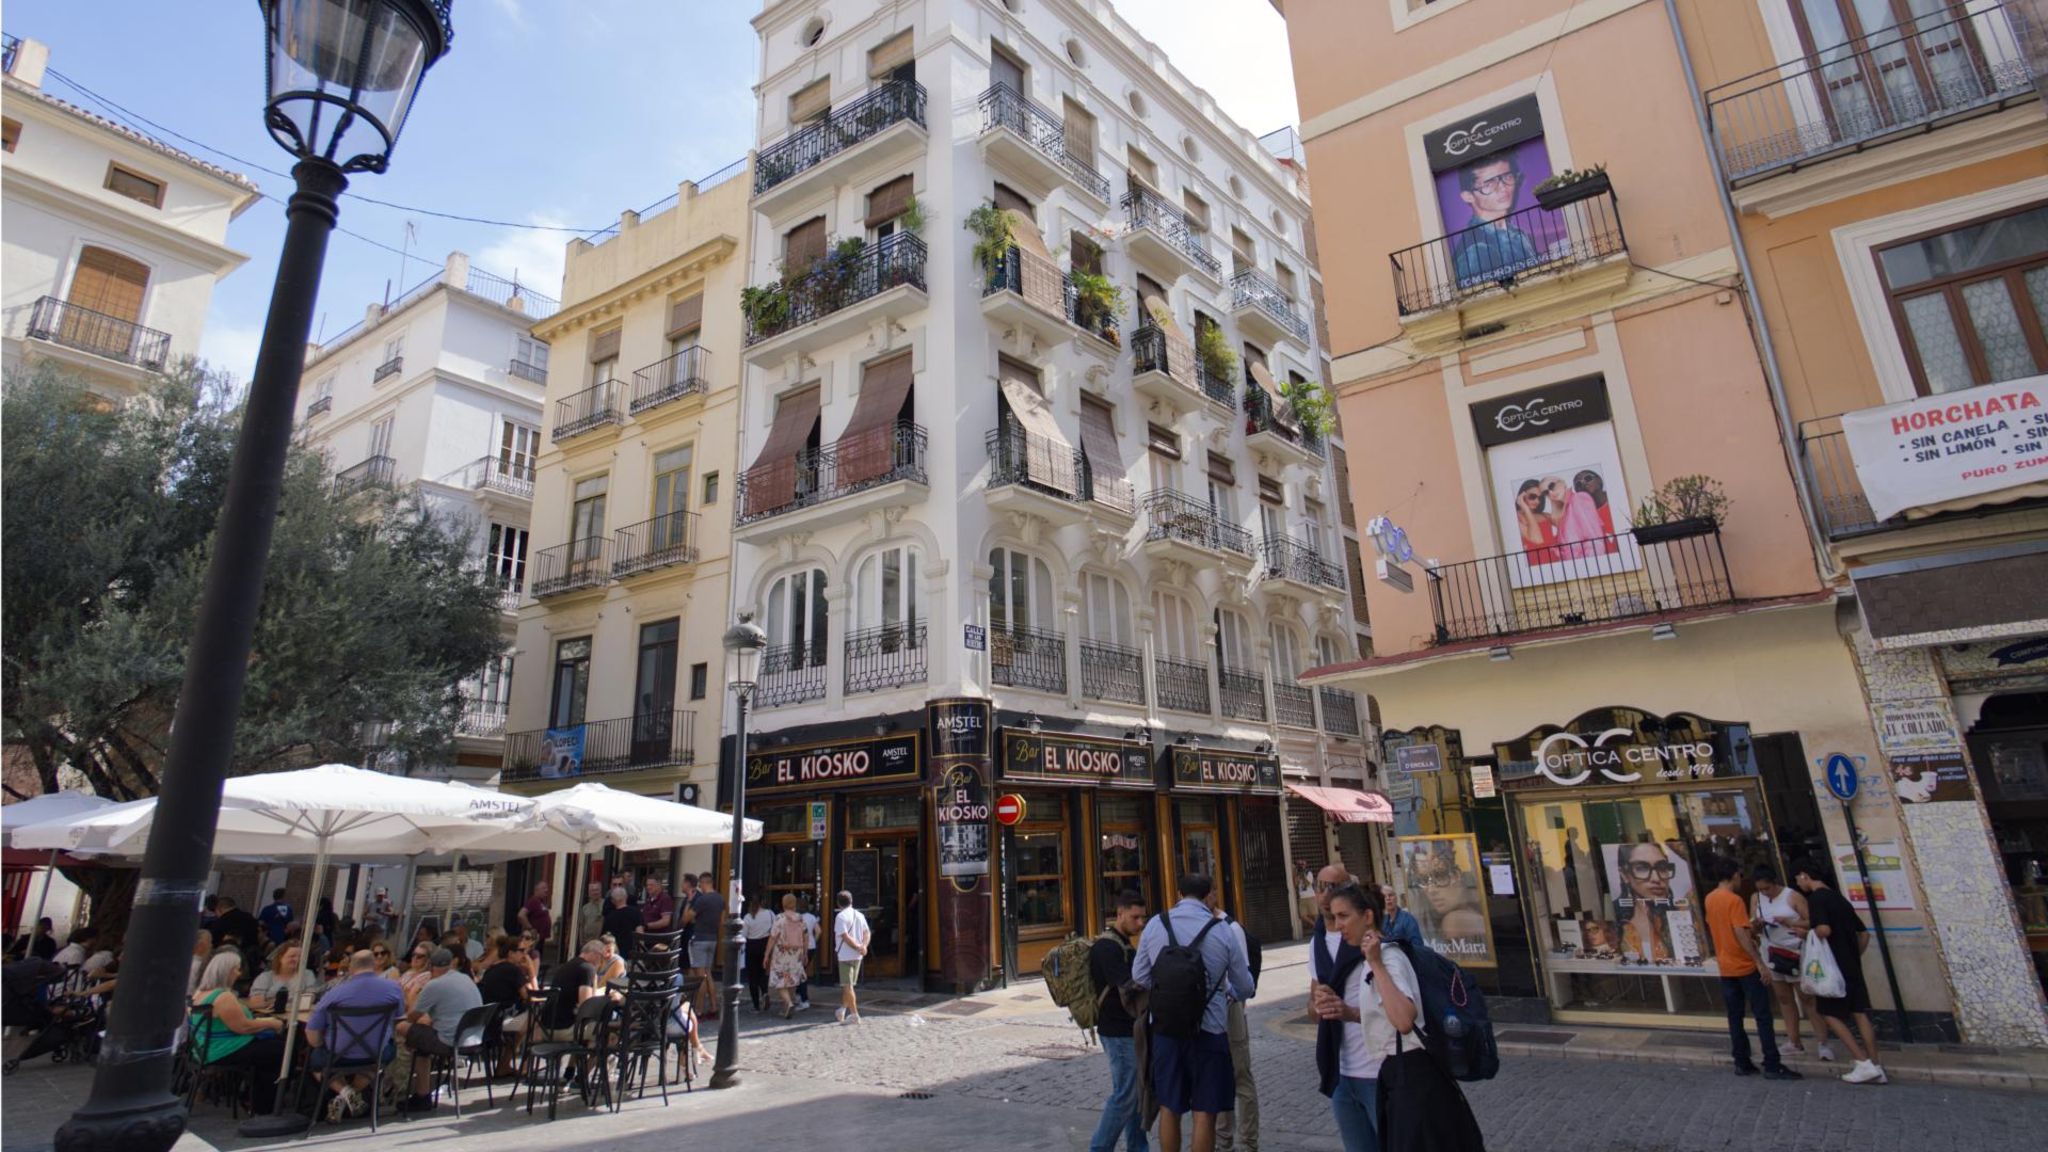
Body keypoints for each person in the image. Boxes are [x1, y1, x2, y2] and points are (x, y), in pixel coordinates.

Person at [1132, 873, 1255, 1152]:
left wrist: (1166, 990)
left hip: (1166, 1029)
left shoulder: (1156, 924)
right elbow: (1245, 986)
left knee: (1169, 1106)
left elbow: (1139, 976)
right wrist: (1225, 992)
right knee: (1205, 1112)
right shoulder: (1223, 930)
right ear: (1209, 894)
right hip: (1209, 1030)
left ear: (1178, 893)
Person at [1312, 884, 1419, 1152]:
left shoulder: (1389, 957)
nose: (1338, 925)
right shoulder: (1343, 955)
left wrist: (1376, 965)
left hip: (1382, 1074)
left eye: (1344, 916)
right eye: (1334, 917)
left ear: (1368, 916)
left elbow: (1404, 1021)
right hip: (1345, 1074)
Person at [1793, 858, 1887, 1085]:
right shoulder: (1839, 898)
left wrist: (1806, 934)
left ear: (1805, 875)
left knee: (1829, 1013)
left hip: (1832, 967)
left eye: (1798, 878)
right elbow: (1864, 933)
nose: (1798, 883)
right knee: (1859, 1013)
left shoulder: (1817, 899)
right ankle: (1875, 1065)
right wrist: (1854, 956)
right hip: (1851, 965)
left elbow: (1824, 929)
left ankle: (1862, 1062)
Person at [1705, 859, 1798, 1080]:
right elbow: (1740, 932)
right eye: (1739, 875)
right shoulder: (1734, 900)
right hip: (1744, 965)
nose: (1741, 879)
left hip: (1726, 966)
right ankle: (1772, 1063)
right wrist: (1759, 962)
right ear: (1734, 875)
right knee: (1762, 1015)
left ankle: (1741, 1061)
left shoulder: (1710, 898)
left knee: (1735, 1016)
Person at [305, 949, 405, 1120]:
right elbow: (399, 1015)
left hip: (338, 1054)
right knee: (386, 1054)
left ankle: (345, 1092)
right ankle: (351, 1094)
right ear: (374, 964)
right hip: (376, 1052)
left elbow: (312, 1035)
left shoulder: (335, 993)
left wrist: (320, 1044)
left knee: (315, 1060)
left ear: (351, 967)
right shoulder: (393, 989)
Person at [188, 951, 287, 1115]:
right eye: (236, 969)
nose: (239, 973)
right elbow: (243, 1027)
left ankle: (253, 1096)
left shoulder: (199, 993)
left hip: (205, 1048)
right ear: (226, 971)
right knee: (281, 1051)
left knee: (272, 1048)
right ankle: (262, 1104)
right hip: (222, 1050)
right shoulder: (223, 997)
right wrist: (271, 1023)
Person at [1089, 890, 1148, 1152]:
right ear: (1120, 913)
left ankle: (1138, 1147)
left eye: (1143, 917)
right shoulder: (1107, 947)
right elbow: (1127, 985)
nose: (1140, 923)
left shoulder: (1123, 944)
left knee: (1134, 1093)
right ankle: (1100, 1148)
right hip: (1116, 1030)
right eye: (1135, 917)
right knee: (1125, 1095)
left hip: (1128, 1028)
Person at [1751, 865, 1830, 1060]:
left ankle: (1823, 1042)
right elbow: (1752, 925)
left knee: (1807, 998)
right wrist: (1757, 924)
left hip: (1795, 951)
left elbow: (1812, 921)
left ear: (1774, 883)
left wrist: (1790, 922)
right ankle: (1794, 1041)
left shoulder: (1792, 896)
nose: (1764, 893)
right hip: (1771, 951)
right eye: (1761, 889)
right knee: (1784, 998)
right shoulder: (1755, 898)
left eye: (1767, 888)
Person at [1208, 886, 1261, 1152]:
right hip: (1211, 1013)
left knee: (1240, 1075)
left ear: (1214, 895)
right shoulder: (1199, 925)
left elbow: (1243, 978)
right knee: (1219, 1076)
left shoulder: (1231, 927)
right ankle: (1223, 1140)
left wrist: (1232, 997)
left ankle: (1248, 1141)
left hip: (1231, 1009)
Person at [397, 947, 482, 1111]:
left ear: (431, 966)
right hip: (474, 1038)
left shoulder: (434, 985)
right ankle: (421, 1094)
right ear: (451, 964)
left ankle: (413, 1089)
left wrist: (412, 992)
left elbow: (412, 1016)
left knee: (402, 1028)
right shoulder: (465, 978)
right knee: (420, 1041)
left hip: (451, 1042)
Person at [1450, 153, 1540, 285]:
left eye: (1507, 177)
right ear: (1468, 196)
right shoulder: (1475, 250)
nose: (1503, 188)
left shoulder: (1519, 236)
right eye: (1489, 184)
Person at [1615, 841, 1680, 963]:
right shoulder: (1618, 919)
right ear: (1624, 875)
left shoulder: (1680, 913)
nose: (1656, 878)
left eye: (1662, 867)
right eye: (1642, 868)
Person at [538, 940, 611, 1041]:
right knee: (608, 1031)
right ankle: (589, 1051)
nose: (602, 963)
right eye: (602, 958)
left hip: (545, 1028)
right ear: (595, 954)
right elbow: (586, 1007)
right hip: (564, 1028)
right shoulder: (587, 969)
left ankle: (582, 1051)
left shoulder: (567, 965)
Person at [766, 893, 810, 1019]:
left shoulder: (779, 918)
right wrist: (805, 953)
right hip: (796, 952)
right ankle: (787, 1006)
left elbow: (772, 937)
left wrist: (766, 954)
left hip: (781, 952)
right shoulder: (800, 918)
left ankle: (788, 1002)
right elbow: (806, 937)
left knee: (779, 980)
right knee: (792, 979)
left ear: (783, 903)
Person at [689, 872, 726, 1018]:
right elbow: (722, 921)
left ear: (704, 883)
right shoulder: (720, 899)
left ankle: (698, 1009)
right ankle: (713, 1006)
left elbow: (688, 916)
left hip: (700, 938)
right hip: (713, 938)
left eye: (700, 884)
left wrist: (690, 903)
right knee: (708, 973)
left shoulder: (702, 900)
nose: (700, 887)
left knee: (701, 976)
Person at [833, 890, 871, 1025]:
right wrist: (863, 946)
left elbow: (845, 936)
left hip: (845, 955)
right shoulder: (859, 915)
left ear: (838, 903)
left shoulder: (840, 916)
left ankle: (854, 1014)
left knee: (848, 986)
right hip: (857, 956)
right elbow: (867, 932)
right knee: (848, 985)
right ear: (851, 901)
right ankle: (843, 1009)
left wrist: (858, 947)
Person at [250, 941, 320, 1012]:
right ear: (280, 957)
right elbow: (256, 1003)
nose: (296, 959)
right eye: (292, 956)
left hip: (298, 1014)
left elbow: (309, 998)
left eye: (299, 957)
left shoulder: (307, 974)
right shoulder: (265, 977)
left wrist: (277, 1002)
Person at [741, 896, 775, 1012]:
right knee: (763, 972)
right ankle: (765, 992)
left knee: (752, 977)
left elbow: (744, 934)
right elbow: (774, 929)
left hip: (752, 946)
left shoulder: (748, 917)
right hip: (765, 944)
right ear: (762, 902)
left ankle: (756, 1006)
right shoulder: (770, 914)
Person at [1379, 885, 1423, 951]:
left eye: (1390, 895)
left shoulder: (1408, 919)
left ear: (1396, 898)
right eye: (1384, 897)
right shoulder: (1383, 921)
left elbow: (1418, 946)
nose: (1388, 898)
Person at [602, 886, 641, 956]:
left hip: (615, 953)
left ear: (613, 901)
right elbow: (640, 934)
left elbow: (605, 938)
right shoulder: (636, 912)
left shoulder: (609, 917)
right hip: (632, 953)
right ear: (626, 897)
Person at [516, 881, 552, 950]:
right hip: (533, 938)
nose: (546, 890)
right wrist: (531, 928)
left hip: (540, 937)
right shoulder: (533, 901)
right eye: (544, 888)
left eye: (547, 888)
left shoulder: (541, 902)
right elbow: (521, 915)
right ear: (537, 890)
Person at [576, 880, 605, 949]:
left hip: (602, 942)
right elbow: (581, 926)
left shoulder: (606, 904)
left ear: (600, 891)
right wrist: (581, 942)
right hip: (588, 942)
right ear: (589, 893)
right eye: (592, 890)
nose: (595, 892)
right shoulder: (585, 908)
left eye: (597, 890)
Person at [188, 929, 213, 995]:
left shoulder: (207, 962)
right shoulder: (192, 964)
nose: (211, 945)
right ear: (199, 944)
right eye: (208, 941)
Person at [1295, 863, 1318, 933]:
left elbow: (1308, 883)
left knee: (1315, 914)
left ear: (1305, 866)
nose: (1300, 866)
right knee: (1303, 915)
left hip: (1310, 896)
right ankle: (1315, 925)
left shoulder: (1309, 873)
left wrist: (1303, 876)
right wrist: (1297, 876)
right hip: (1302, 897)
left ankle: (1319, 929)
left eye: (1302, 865)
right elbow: (1296, 884)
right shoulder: (1297, 874)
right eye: (1299, 865)